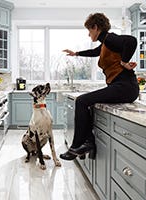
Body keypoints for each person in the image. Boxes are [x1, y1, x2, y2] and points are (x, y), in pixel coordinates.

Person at [60, 13, 139, 160]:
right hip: (121, 86)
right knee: (86, 103)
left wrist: (124, 61)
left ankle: (77, 146)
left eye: (89, 31)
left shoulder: (109, 38)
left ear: (95, 27)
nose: (88, 35)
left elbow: (131, 41)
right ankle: (88, 142)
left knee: (82, 101)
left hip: (125, 86)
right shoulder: (105, 44)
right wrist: (76, 53)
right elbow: (95, 52)